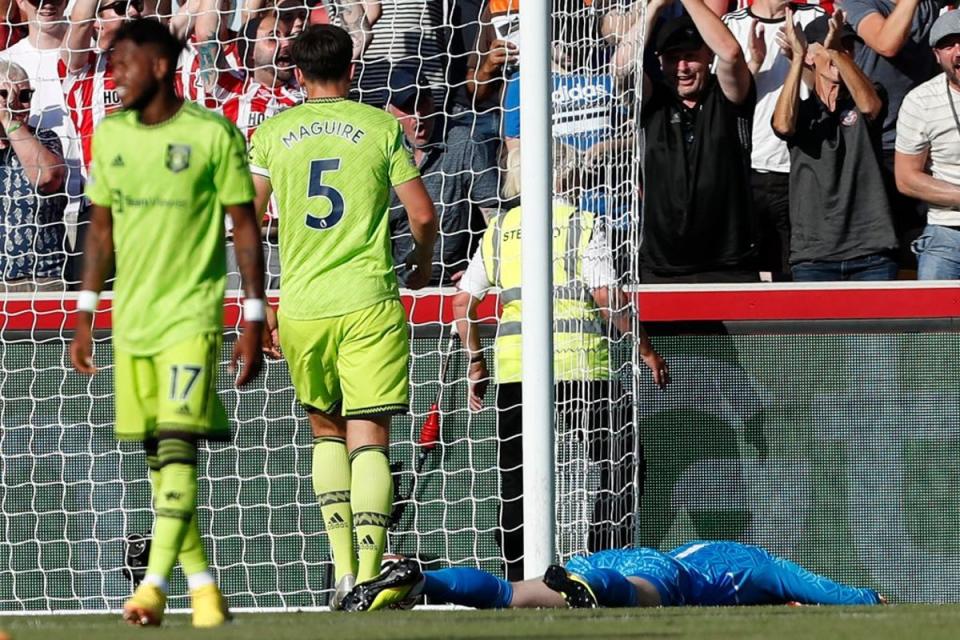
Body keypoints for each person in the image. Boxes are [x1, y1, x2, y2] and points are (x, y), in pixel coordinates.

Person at [68, 18, 266, 628]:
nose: (114, 75)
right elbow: (100, 230)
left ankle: (152, 588)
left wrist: (253, 315)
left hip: (191, 318)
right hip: (132, 324)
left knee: (178, 444)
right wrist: (85, 312)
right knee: (162, 462)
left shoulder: (212, 134)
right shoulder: (113, 137)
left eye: (123, 62)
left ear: (158, 65)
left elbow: (244, 225)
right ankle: (204, 588)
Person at [250, 24, 437, 609]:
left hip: (303, 305)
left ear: (297, 73)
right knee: (371, 441)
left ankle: (339, 573)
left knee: (324, 430)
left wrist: (259, 309)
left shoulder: (270, 133)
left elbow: (248, 223)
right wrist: (424, 265)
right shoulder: (381, 127)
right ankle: (368, 572)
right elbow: (423, 215)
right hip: (367, 300)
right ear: (352, 69)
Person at [452, 145, 669, 581]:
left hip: (517, 372)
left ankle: (517, 574)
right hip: (580, 368)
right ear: (566, 178)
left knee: (516, 476)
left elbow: (462, 303)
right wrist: (645, 348)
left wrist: (477, 362)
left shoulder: (499, 229)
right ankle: (601, 562)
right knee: (621, 460)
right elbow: (607, 297)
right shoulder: (581, 224)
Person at [342, 540, 884, 611]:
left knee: (516, 594)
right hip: (656, 572)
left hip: (605, 555)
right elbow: (828, 591)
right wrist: (870, 599)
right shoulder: (761, 566)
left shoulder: (718, 549)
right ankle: (595, 591)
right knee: (647, 596)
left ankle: (423, 582)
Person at [771, 10, 898, 280]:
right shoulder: (800, 111)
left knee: (880, 325)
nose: (845, 52)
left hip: (871, 252)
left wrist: (834, 49)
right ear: (810, 56)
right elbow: (782, 125)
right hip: (814, 255)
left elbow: (869, 106)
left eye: (849, 47)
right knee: (819, 325)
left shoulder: (870, 92)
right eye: (831, 46)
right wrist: (796, 61)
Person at [640, 0, 759, 283]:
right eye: (672, 58)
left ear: (708, 56)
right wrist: (655, 6)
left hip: (728, 261)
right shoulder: (654, 101)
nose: (682, 67)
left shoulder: (727, 93)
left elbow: (731, 53)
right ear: (660, 61)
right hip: (663, 266)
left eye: (691, 56)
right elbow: (622, 68)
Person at [723, 0, 826, 279]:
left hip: (803, 167)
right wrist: (753, 63)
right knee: (751, 274)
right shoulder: (732, 24)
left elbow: (828, 88)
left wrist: (798, 58)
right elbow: (722, 101)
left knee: (798, 271)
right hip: (749, 169)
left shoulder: (814, 16)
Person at [842, 0, 939, 268]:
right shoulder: (858, 2)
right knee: (884, 251)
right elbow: (887, 43)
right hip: (877, 144)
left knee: (924, 243)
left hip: (926, 143)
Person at [386, 68, 499, 286]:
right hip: (395, 285)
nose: (418, 117)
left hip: (455, 283)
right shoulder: (381, 151)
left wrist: (481, 268)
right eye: (408, 108)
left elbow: (494, 214)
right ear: (388, 111)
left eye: (423, 104)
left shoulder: (464, 142)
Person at [895, 10, 960, 279]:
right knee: (931, 318)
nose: (958, 52)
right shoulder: (920, 101)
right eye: (948, 45)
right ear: (936, 55)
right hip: (947, 231)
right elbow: (907, 178)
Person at [0, 59, 67, 290]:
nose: (15, 103)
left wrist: (8, 119)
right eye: (4, 94)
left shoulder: (46, 139)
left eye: (24, 95)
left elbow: (47, 178)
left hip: (42, 278)